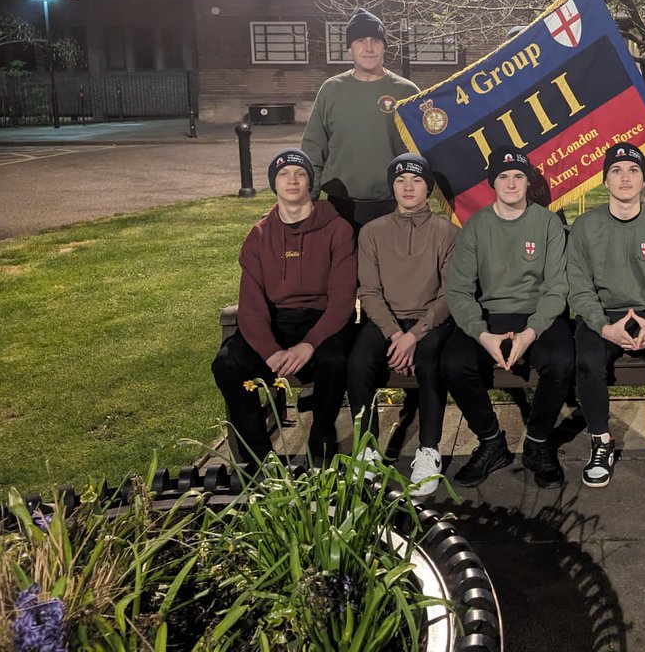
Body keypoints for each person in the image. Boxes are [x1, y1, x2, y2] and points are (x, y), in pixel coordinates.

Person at [211, 148, 356, 471]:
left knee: (336, 358)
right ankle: (260, 461)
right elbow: (251, 305)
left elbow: (343, 298)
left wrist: (309, 344)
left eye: (300, 174)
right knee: (227, 364)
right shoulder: (259, 236)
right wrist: (270, 351)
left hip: (322, 321)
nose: (292, 180)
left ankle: (321, 442)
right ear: (274, 185)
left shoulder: (337, 229)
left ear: (310, 183)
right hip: (275, 322)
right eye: (283, 175)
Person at [442, 146, 574, 489]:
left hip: (537, 316)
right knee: (454, 363)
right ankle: (490, 441)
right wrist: (483, 335)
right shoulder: (476, 226)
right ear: (493, 183)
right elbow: (458, 291)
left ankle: (538, 442)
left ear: (528, 181)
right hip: (490, 315)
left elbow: (557, 288)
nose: (512, 183)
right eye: (503, 176)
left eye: (519, 176)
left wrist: (529, 334)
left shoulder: (548, 223)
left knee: (561, 360)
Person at [567, 142, 645, 488]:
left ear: (644, 181)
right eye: (616, 171)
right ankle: (601, 441)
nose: (625, 178)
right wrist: (603, 327)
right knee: (588, 360)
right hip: (602, 314)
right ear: (605, 180)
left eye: (633, 170)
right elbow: (579, 287)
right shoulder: (585, 227)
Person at [346, 153, 458, 496]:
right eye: (400, 180)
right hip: (386, 321)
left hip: (430, 320)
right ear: (392, 186)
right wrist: (396, 334)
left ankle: (428, 449)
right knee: (359, 362)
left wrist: (415, 335)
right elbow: (369, 291)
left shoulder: (447, 232)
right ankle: (365, 447)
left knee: (430, 360)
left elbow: (451, 293)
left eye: (416, 180)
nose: (408, 187)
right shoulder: (372, 232)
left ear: (429, 187)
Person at [301, 8, 419, 232]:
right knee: (344, 267)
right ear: (349, 47)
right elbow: (313, 149)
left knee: (391, 267)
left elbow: (422, 150)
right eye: (360, 40)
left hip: (394, 204)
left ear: (384, 45)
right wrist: (308, 197)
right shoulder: (332, 90)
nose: (368, 47)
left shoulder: (406, 91)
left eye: (375, 40)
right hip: (340, 205)